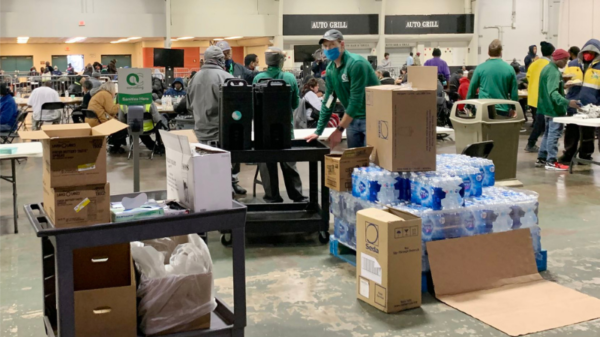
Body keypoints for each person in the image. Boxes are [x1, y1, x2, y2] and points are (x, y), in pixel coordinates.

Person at [304, 29, 380, 149]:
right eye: (325, 46)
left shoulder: (356, 64)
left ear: (342, 44)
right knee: (355, 162)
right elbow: (328, 101)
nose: (328, 49)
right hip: (351, 120)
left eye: (332, 44)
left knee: (372, 162)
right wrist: (318, 131)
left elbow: (355, 101)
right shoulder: (330, 69)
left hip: (371, 119)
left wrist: (339, 129)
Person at [187, 46, 246, 195]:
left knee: (206, 165)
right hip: (221, 132)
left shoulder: (194, 78)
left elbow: (188, 105)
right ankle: (226, 191)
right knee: (226, 162)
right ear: (220, 60)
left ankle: (214, 191)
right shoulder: (226, 77)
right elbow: (238, 110)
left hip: (200, 130)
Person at [252, 47, 305, 203]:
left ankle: (272, 196)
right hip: (285, 130)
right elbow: (295, 103)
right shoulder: (289, 78)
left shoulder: (258, 79)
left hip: (263, 132)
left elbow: (254, 105)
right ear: (281, 61)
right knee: (289, 162)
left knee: (267, 164)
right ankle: (297, 195)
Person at [535, 49, 579, 171]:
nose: (566, 63)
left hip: (546, 107)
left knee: (548, 133)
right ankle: (551, 161)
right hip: (554, 109)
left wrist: (563, 86)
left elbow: (550, 86)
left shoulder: (546, 68)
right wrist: (568, 102)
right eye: (565, 60)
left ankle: (542, 157)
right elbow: (553, 93)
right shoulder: (554, 72)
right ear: (559, 59)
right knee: (554, 134)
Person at [559, 39, 600, 164]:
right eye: (586, 52)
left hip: (591, 106)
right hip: (573, 103)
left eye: (592, 53)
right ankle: (568, 153)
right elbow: (564, 81)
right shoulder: (572, 64)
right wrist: (566, 84)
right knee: (571, 131)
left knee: (588, 133)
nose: (588, 54)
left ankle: (585, 154)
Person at [467, 39, 519, 116]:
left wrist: (467, 106)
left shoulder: (480, 68)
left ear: (488, 52)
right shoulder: (510, 69)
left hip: (483, 109)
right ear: (501, 53)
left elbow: (472, 89)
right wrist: (514, 108)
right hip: (503, 109)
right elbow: (514, 93)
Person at [525, 41, 555, 152]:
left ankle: (540, 144)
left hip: (533, 97)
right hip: (543, 98)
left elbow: (528, 77)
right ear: (552, 53)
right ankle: (531, 143)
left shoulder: (534, 63)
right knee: (541, 123)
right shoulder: (550, 65)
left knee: (540, 122)